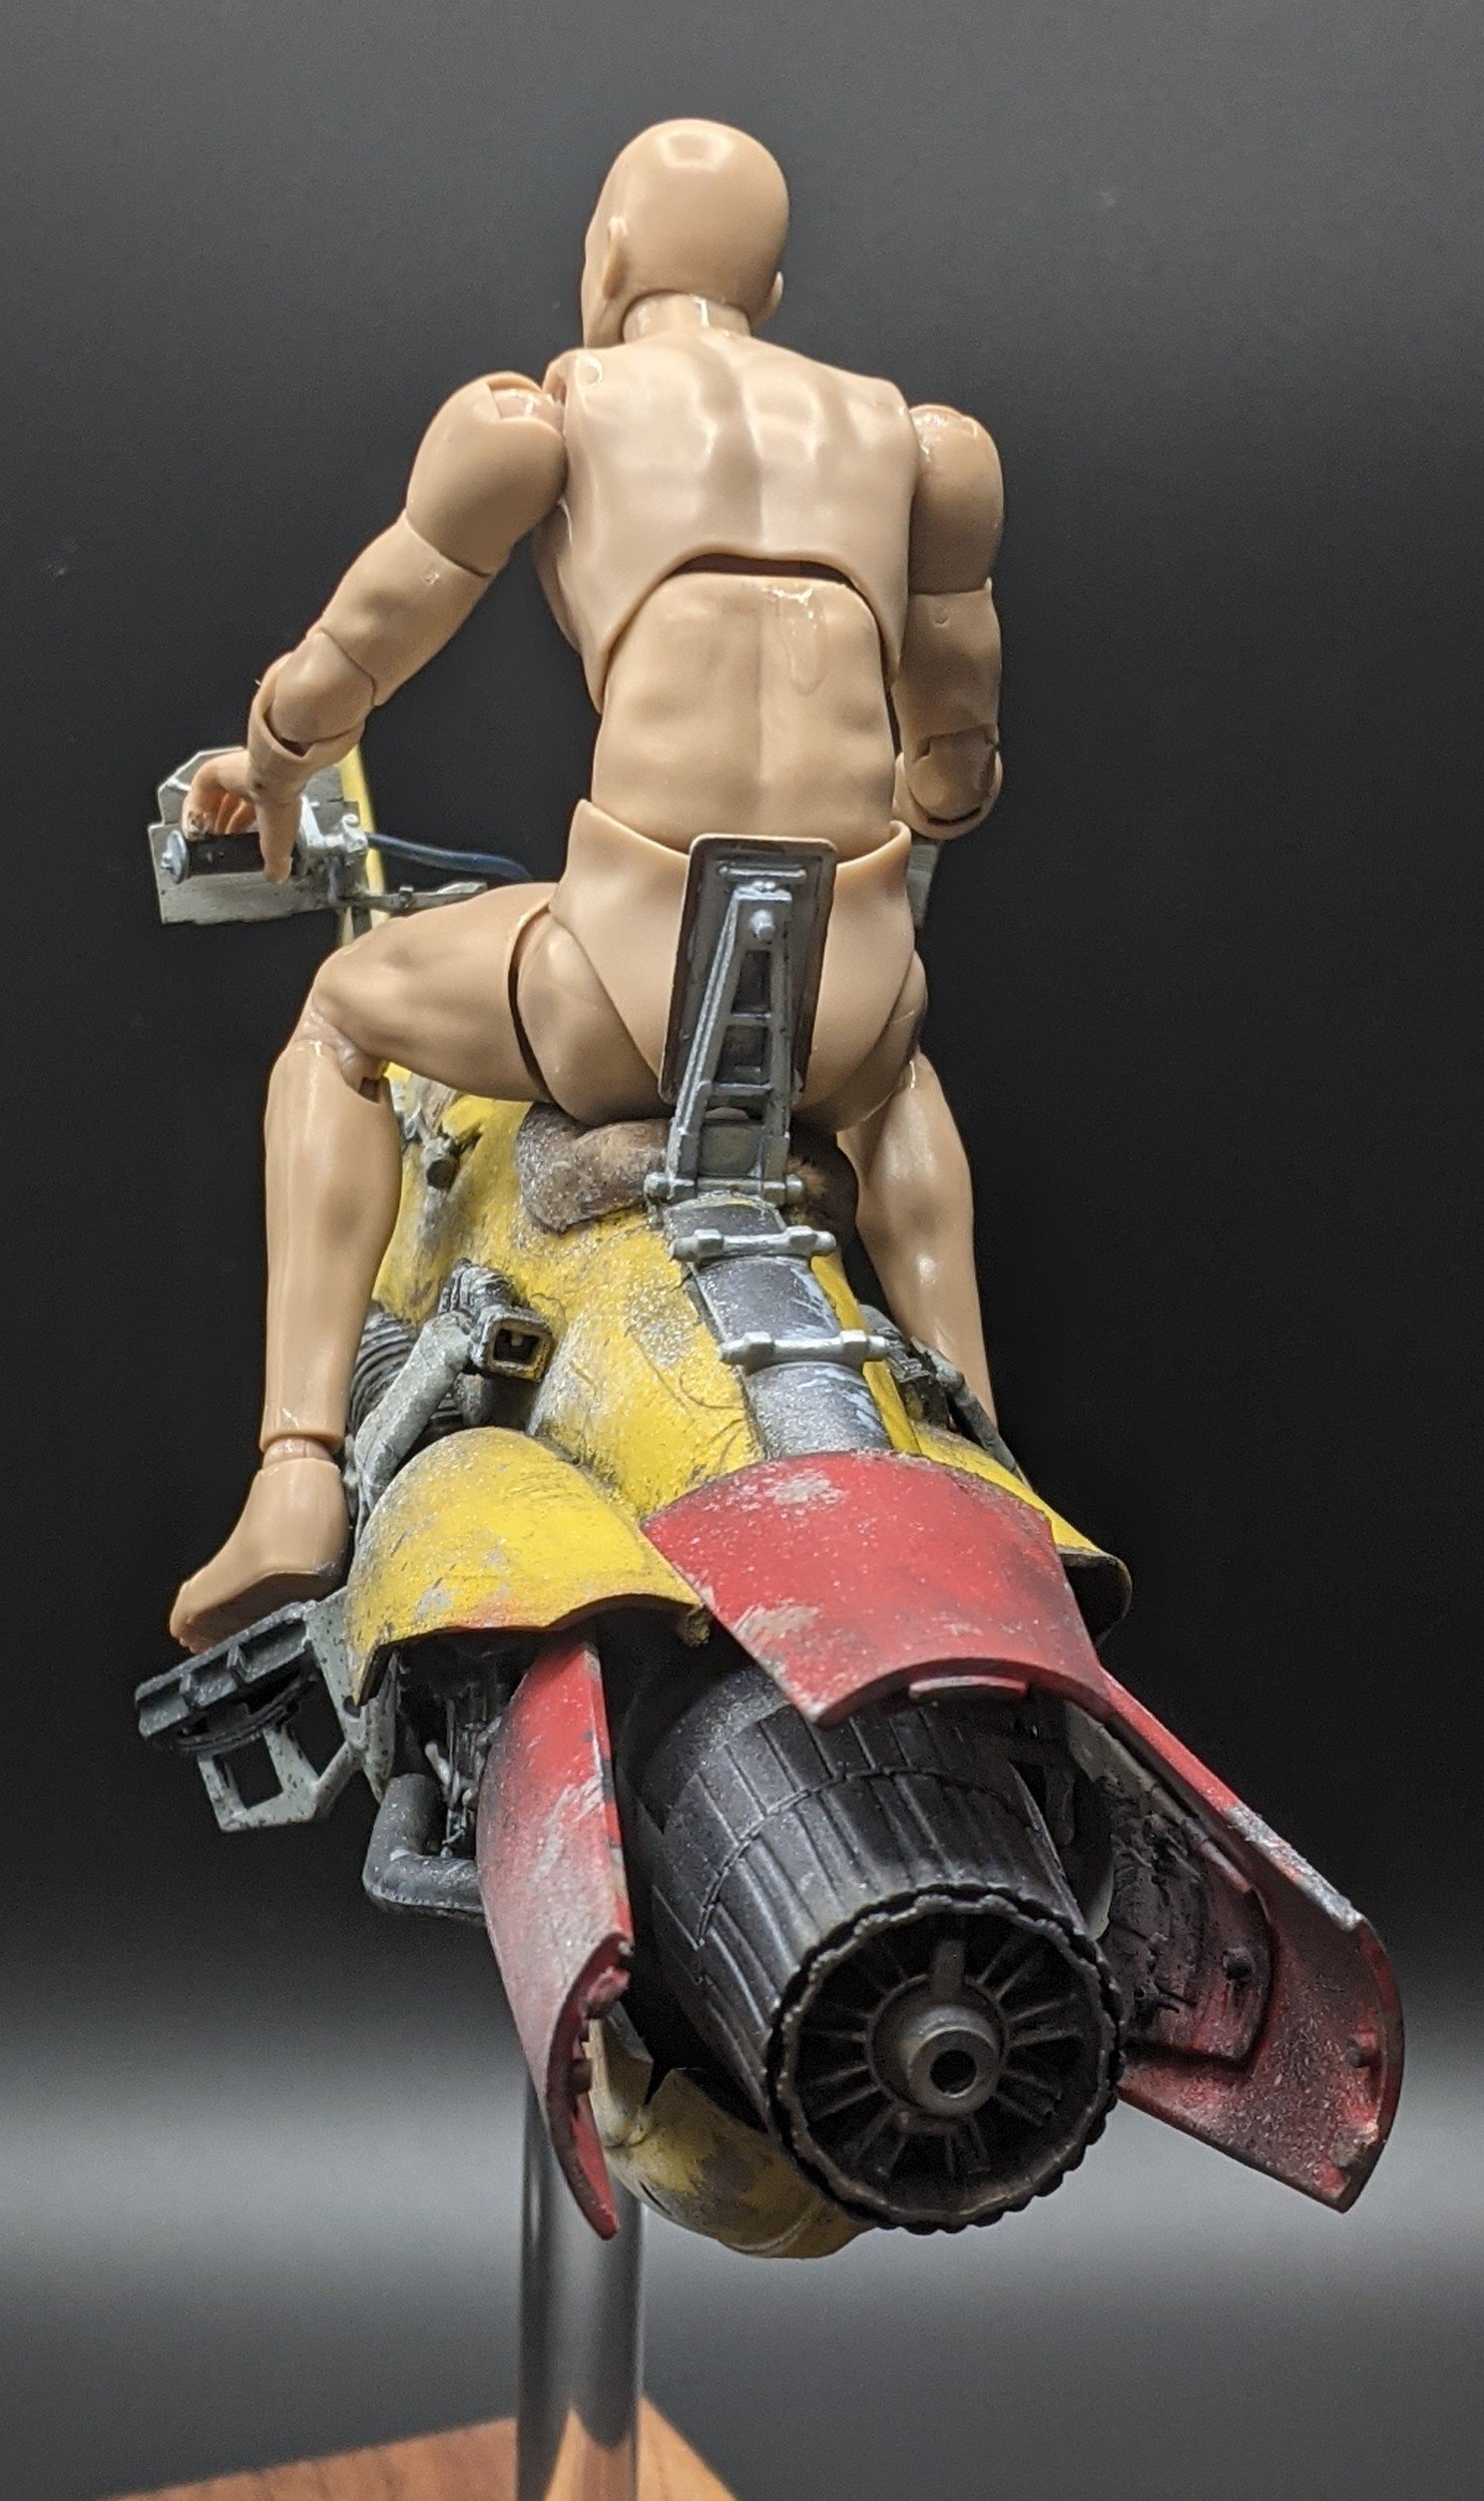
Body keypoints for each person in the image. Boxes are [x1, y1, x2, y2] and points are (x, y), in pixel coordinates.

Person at [171, 118, 1006, 1653]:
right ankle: (981, 1439)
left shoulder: (546, 410)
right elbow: (954, 761)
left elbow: (359, 650)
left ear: (606, 256)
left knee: (342, 1009)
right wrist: (908, 794)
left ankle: (294, 1470)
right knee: (901, 1078)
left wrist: (271, 765)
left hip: (616, 995)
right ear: (771, 285)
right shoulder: (925, 445)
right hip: (845, 1006)